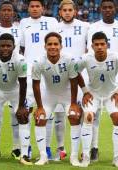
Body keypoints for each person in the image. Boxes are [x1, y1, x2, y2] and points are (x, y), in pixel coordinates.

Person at [86, 0, 118, 162]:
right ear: (100, 10)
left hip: (117, 78)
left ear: (115, 9)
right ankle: (94, 148)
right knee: (94, 115)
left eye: (110, 7)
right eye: (104, 7)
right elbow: (88, 52)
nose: (107, 10)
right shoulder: (92, 28)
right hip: (96, 78)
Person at [77, 32, 118, 168]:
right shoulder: (86, 58)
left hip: (111, 94)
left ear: (107, 45)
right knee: (88, 117)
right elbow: (75, 73)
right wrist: (84, 91)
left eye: (102, 44)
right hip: (93, 94)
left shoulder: (116, 57)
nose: (100, 47)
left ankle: (116, 158)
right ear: (92, 46)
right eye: (97, 44)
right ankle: (86, 157)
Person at [0, 33, 30, 165]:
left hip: (15, 91)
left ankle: (25, 155)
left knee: (23, 116)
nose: (5, 48)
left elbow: (23, 84)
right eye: (2, 46)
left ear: (14, 47)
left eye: (8, 46)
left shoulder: (20, 60)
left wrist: (21, 106)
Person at [32, 32, 80, 165]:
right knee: (40, 118)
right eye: (49, 44)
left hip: (67, 94)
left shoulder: (69, 59)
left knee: (74, 116)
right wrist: (40, 107)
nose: (52, 47)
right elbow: (36, 85)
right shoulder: (38, 62)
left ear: (61, 46)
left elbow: (74, 81)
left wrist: (74, 103)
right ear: (45, 46)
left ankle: (74, 156)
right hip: (49, 95)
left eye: (55, 44)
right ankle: (43, 156)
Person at [19, 0, 58, 159]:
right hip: (29, 72)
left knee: (48, 112)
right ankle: (26, 148)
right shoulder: (23, 23)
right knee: (26, 111)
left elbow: (56, 45)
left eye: (37, 6)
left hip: (47, 72)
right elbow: (21, 47)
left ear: (43, 8)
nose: (34, 9)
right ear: (28, 8)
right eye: (32, 6)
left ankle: (47, 148)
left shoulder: (52, 22)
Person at [56, 0, 90, 163]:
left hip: (80, 75)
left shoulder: (85, 27)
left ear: (75, 11)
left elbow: (90, 50)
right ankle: (60, 149)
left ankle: (83, 151)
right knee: (59, 115)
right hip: (60, 77)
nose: (68, 12)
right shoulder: (54, 28)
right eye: (65, 10)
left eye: (70, 10)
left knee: (82, 114)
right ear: (60, 12)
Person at [0, 1, 22, 160]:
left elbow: (23, 51)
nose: (7, 13)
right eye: (4, 10)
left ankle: (17, 148)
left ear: (13, 13)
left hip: (16, 78)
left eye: (10, 10)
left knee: (17, 115)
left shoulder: (20, 30)